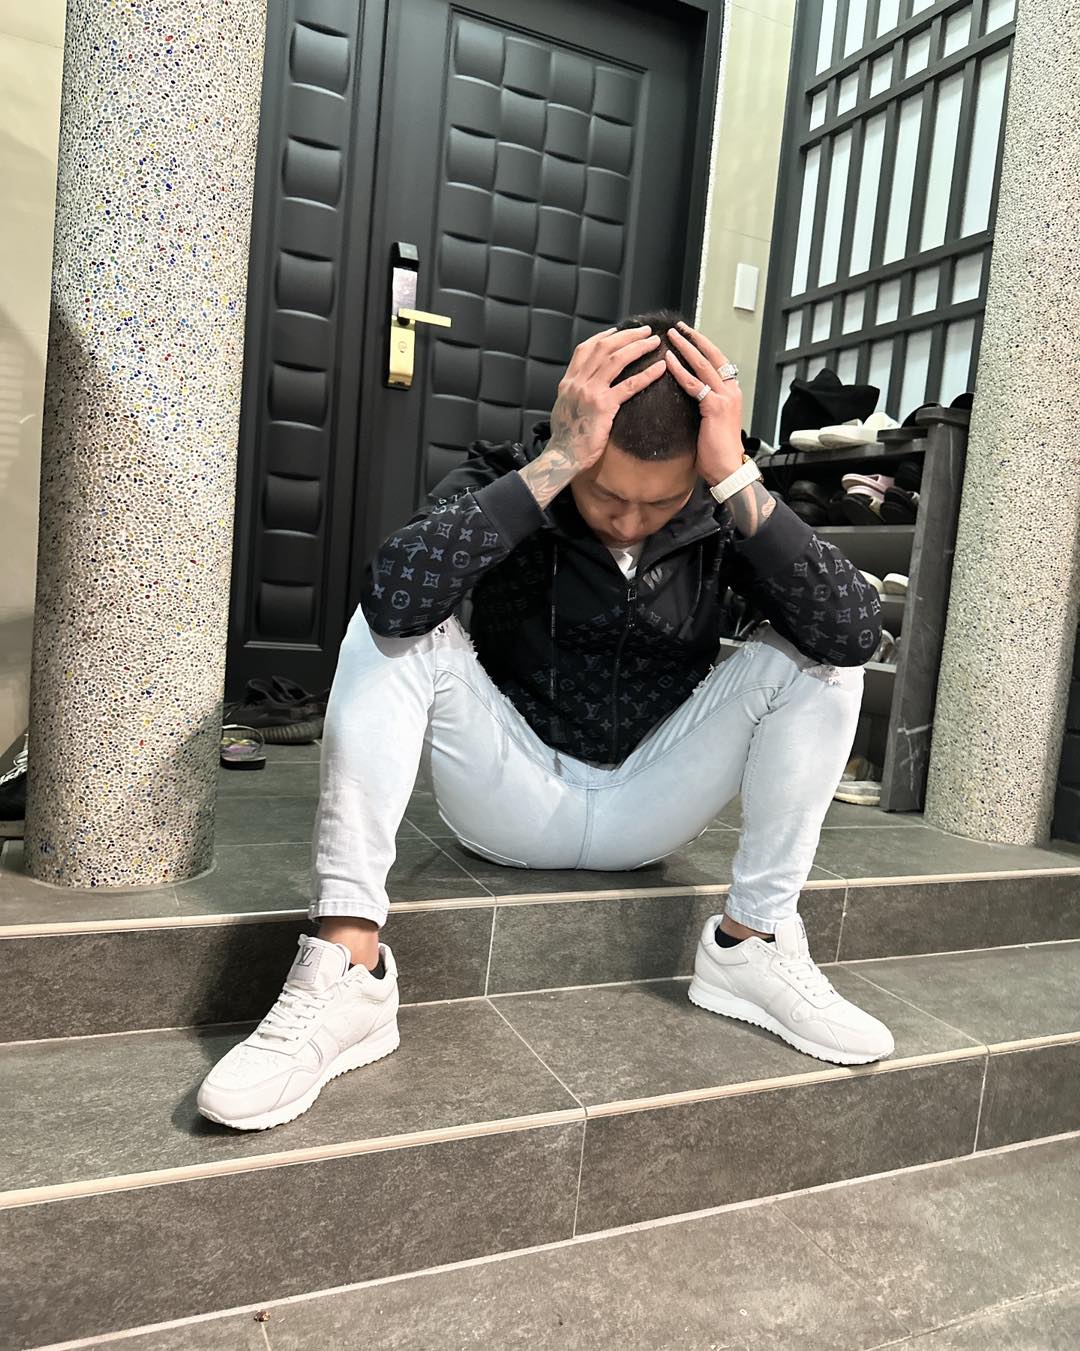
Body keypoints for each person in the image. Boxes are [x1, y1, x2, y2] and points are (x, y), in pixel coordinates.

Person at [198, 313, 893, 1132]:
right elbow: (390, 594)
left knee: (820, 655)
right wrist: (556, 465)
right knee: (389, 629)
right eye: (608, 494)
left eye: (658, 501)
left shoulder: (717, 508)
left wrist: (736, 476)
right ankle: (348, 965)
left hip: (650, 802)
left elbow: (855, 632)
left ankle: (755, 946)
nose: (629, 521)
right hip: (511, 795)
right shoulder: (512, 473)